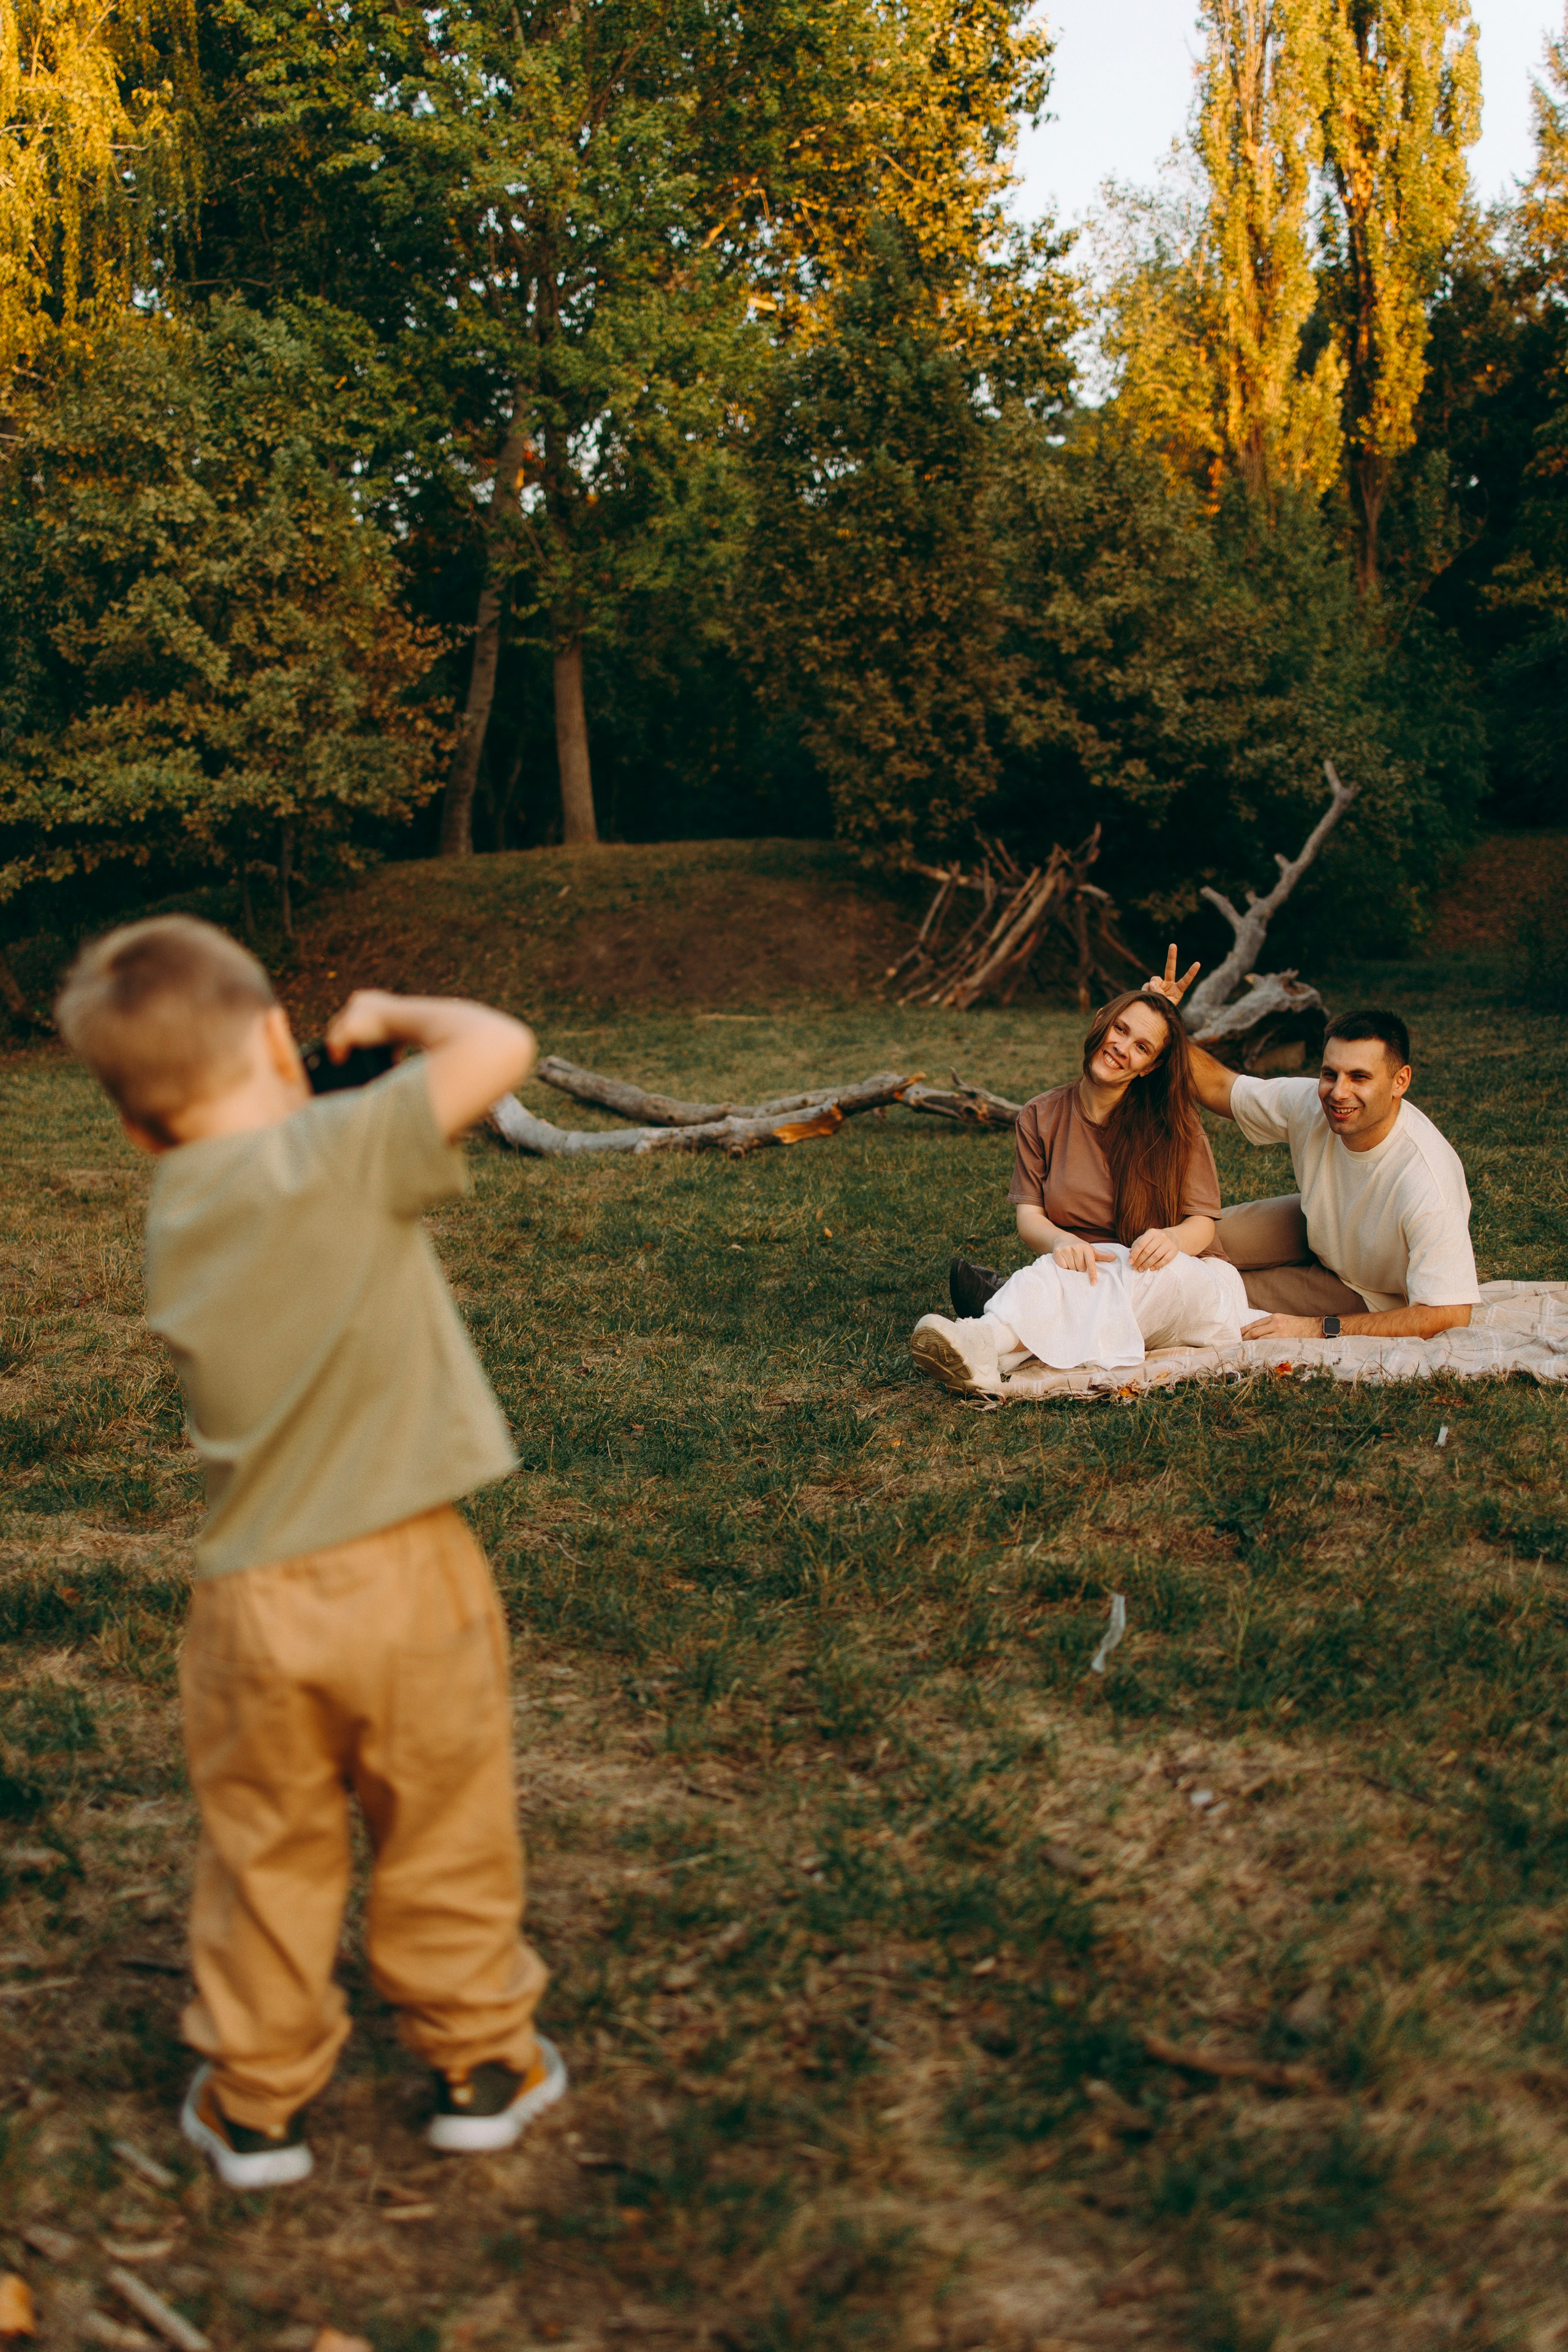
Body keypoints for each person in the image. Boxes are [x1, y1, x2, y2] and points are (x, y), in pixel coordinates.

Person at [55, 916, 564, 2191]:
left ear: (135, 1130)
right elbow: (501, 1045)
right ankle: (478, 2068)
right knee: (444, 1825)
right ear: (283, 1042)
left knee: (266, 1850)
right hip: (408, 1574)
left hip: (250, 1604)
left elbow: (237, 1146)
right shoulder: (336, 1150)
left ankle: (256, 2105)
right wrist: (389, 1012)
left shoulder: (176, 1206)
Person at [912, 988, 1250, 1393]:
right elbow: (1030, 1218)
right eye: (1120, 1030)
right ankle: (988, 1352)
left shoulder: (1175, 1125)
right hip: (1091, 1278)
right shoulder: (1041, 1115)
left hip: (1189, 1281)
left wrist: (1173, 1238)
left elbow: (1203, 1224)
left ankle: (986, 1337)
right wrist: (1061, 1240)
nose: (1122, 1047)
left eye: (1141, 1046)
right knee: (1078, 1274)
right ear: (1100, 1025)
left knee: (1095, 1274)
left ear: (1150, 1066)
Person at [1142, 950, 1479, 1341]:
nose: (1339, 1093)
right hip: (1315, 1225)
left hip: (1365, 1290)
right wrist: (1160, 1020)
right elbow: (1220, 1086)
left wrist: (1318, 1329)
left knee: (1211, 1291)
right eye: (1329, 1073)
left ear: (1400, 1081)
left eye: (1359, 1077)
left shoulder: (1427, 1182)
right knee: (1186, 1236)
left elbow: (1450, 1315)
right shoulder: (1310, 1103)